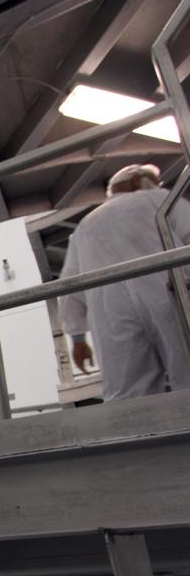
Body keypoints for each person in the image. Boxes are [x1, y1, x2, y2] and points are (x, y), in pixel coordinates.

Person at [58, 163, 190, 400]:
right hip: (170, 295)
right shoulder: (160, 198)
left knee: (128, 396)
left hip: (111, 313)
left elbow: (69, 285)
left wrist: (77, 339)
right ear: (139, 181)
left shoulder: (86, 224)